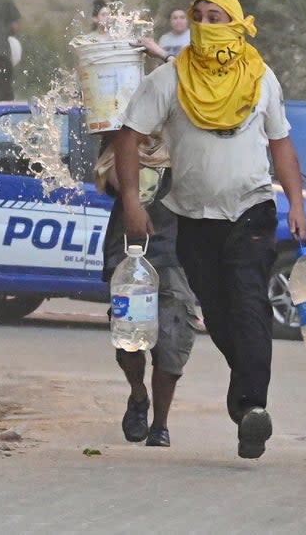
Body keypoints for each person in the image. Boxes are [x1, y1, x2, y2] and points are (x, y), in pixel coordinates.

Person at [113, 0, 306, 460]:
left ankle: (249, 409)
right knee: (218, 316)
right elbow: (129, 136)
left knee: (249, 304)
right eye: (197, 15)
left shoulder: (261, 79)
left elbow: (280, 142)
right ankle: (245, 401)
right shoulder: (170, 78)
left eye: (214, 16)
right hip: (193, 219)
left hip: (252, 210)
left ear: (236, 23)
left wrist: (296, 203)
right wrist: (133, 202)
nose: (204, 23)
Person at [95, 134, 198, 449]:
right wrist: (125, 143)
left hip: (179, 254)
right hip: (131, 250)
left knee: (173, 339)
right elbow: (112, 180)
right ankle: (138, 395)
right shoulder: (124, 137)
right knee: (131, 338)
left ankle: (160, 425)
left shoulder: (193, 134)